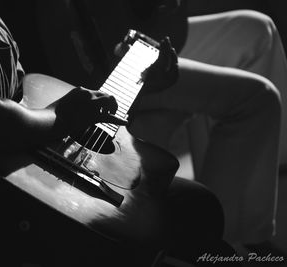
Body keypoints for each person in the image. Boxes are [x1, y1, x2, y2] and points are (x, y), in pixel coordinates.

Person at [0, 0, 239, 266]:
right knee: (198, 211)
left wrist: (134, 81)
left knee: (194, 206)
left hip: (23, 164)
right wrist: (59, 115)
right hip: (2, 210)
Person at [20, 0, 283, 249]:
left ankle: (256, 190)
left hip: (130, 36)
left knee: (257, 29)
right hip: (96, 56)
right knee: (260, 98)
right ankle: (225, 244)